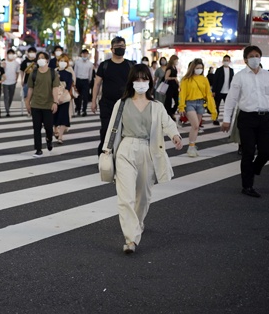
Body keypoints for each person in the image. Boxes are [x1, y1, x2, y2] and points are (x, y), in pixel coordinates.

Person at [102, 64, 183, 254]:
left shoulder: (156, 106)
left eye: (144, 79)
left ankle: (137, 223)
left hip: (148, 150)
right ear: (131, 81)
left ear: (150, 81)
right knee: (125, 197)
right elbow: (112, 130)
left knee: (144, 196)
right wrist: (107, 152)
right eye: (137, 79)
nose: (140, 82)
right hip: (126, 149)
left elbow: (167, 123)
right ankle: (131, 239)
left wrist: (175, 136)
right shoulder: (121, 104)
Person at [221, 45, 269, 198]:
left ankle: (252, 170)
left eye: (257, 55)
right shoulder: (240, 76)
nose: (255, 58)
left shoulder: (267, 75)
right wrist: (226, 120)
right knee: (248, 151)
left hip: (264, 117)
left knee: (266, 151)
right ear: (246, 59)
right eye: (252, 56)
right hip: (247, 118)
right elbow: (231, 99)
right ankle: (247, 185)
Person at [91, 36, 135, 156]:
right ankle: (103, 155)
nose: (120, 49)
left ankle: (119, 156)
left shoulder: (130, 65)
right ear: (112, 49)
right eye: (118, 47)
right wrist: (93, 101)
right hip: (107, 103)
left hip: (125, 104)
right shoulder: (104, 65)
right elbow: (97, 84)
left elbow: (135, 84)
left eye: (122, 47)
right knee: (106, 130)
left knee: (124, 132)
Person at [178, 58, 217, 157]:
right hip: (189, 103)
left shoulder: (204, 79)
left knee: (196, 127)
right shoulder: (186, 79)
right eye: (197, 68)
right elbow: (182, 94)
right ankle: (191, 148)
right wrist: (181, 107)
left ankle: (192, 145)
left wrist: (213, 110)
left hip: (201, 104)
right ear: (192, 68)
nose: (199, 70)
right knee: (195, 125)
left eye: (201, 68)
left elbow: (208, 94)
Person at [26, 52, 59, 157]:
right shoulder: (33, 73)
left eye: (42, 58)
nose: (40, 60)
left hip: (48, 105)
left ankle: (49, 140)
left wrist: (55, 102)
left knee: (49, 128)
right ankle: (38, 149)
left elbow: (55, 89)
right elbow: (30, 89)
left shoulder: (53, 73)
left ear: (47, 60)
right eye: (39, 58)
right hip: (36, 104)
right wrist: (28, 101)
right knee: (36, 128)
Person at [54, 55, 73, 143]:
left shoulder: (69, 74)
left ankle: (60, 136)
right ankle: (55, 129)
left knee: (63, 117)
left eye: (64, 61)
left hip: (64, 98)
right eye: (60, 60)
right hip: (54, 97)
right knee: (54, 115)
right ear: (57, 62)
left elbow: (68, 86)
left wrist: (62, 96)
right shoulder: (53, 72)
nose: (62, 62)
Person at [211, 55, 234, 125]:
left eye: (227, 60)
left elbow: (232, 81)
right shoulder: (219, 70)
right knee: (216, 106)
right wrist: (213, 91)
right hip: (219, 91)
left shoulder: (231, 70)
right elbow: (215, 81)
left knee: (228, 106)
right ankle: (215, 119)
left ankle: (228, 119)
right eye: (225, 60)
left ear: (229, 61)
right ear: (223, 61)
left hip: (228, 92)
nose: (226, 62)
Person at [74, 49, 94, 116]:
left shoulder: (90, 64)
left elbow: (90, 73)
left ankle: (84, 110)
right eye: (83, 54)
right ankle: (78, 109)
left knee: (85, 96)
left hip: (86, 81)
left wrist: (90, 81)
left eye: (86, 54)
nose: (85, 55)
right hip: (78, 80)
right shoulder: (77, 62)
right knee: (78, 96)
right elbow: (75, 72)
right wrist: (74, 81)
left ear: (88, 55)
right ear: (81, 54)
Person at [2, 49, 20, 116]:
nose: (11, 55)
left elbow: (17, 72)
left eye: (12, 54)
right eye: (9, 54)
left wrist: (16, 79)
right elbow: (1, 72)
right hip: (5, 82)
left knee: (11, 96)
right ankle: (7, 111)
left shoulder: (16, 63)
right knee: (6, 96)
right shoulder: (4, 63)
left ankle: (8, 107)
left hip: (13, 82)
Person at [163, 55, 180, 121]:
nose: (177, 62)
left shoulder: (174, 67)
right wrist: (174, 78)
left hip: (175, 86)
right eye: (176, 60)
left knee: (177, 101)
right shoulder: (169, 68)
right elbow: (166, 77)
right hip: (170, 86)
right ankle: (169, 114)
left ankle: (171, 112)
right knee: (168, 101)